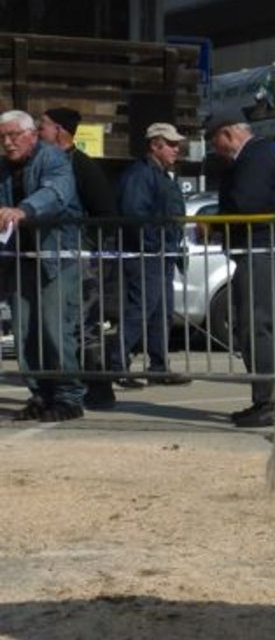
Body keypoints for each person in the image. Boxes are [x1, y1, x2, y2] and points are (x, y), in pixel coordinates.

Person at [86, 123, 192, 410]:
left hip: (162, 253)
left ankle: (158, 365)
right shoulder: (141, 175)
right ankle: (116, 363)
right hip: (145, 254)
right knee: (141, 309)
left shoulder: (160, 175)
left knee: (161, 311)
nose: (176, 149)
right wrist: (152, 246)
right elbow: (136, 214)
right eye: (171, 144)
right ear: (155, 145)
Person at [205, 110, 275, 428]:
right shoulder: (256, 156)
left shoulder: (254, 158)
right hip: (260, 250)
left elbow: (246, 202)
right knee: (256, 326)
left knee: (258, 326)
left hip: (263, 250)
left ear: (228, 134)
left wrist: (218, 219)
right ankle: (269, 398)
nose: (215, 150)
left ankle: (270, 401)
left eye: (214, 141)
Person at [0, 109, 86, 421]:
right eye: (3, 137)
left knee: (54, 328)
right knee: (24, 332)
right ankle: (41, 394)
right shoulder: (4, 168)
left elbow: (56, 193)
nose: (8, 143)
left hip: (56, 257)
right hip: (19, 260)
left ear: (32, 135)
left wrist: (23, 209)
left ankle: (68, 396)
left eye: (14, 135)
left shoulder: (53, 159)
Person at [37, 107, 122, 402]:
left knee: (83, 323)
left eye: (43, 126)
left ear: (60, 131)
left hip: (81, 258)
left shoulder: (82, 166)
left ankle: (98, 387)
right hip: (54, 256)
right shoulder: (46, 163)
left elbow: (106, 211)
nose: (38, 131)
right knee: (58, 323)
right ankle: (60, 385)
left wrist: (86, 247)